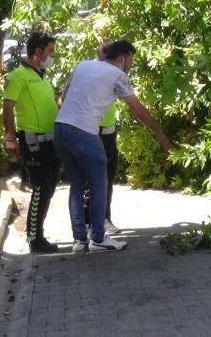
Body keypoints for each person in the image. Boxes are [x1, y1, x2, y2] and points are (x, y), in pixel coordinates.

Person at [54, 39, 171, 253]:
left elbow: (62, 100)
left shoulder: (82, 65)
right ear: (122, 58)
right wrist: (160, 134)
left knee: (77, 185)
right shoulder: (118, 75)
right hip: (85, 134)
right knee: (100, 184)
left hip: (61, 130)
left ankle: (79, 240)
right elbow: (138, 110)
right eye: (131, 61)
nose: (131, 65)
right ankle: (98, 238)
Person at [2, 32, 61, 253]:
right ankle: (34, 239)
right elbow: (8, 106)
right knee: (40, 188)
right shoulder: (19, 75)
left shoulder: (43, 77)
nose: (52, 56)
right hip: (33, 141)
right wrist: (10, 137)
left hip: (50, 141)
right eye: (50, 51)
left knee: (49, 188)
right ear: (38, 51)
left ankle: (38, 233)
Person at [84, 43, 121, 235]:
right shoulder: (90, 75)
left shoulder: (113, 76)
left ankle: (105, 218)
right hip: (93, 131)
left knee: (108, 179)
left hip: (109, 132)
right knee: (92, 181)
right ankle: (88, 222)